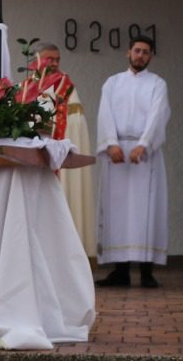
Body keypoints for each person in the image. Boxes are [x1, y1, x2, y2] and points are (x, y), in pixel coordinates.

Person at [95, 36, 170, 287]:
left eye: (146, 52)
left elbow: (158, 115)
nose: (140, 56)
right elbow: (104, 113)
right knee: (117, 211)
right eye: (137, 51)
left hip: (143, 155)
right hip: (117, 153)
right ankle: (120, 271)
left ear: (150, 57)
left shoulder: (157, 84)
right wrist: (111, 143)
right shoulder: (113, 83)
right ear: (128, 53)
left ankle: (147, 271)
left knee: (145, 210)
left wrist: (144, 144)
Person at [34, 42, 96, 257]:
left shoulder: (66, 86)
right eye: (49, 59)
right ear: (37, 60)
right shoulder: (27, 87)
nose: (54, 64)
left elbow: (75, 124)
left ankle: (67, 255)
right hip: (35, 157)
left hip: (58, 156)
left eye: (57, 59)